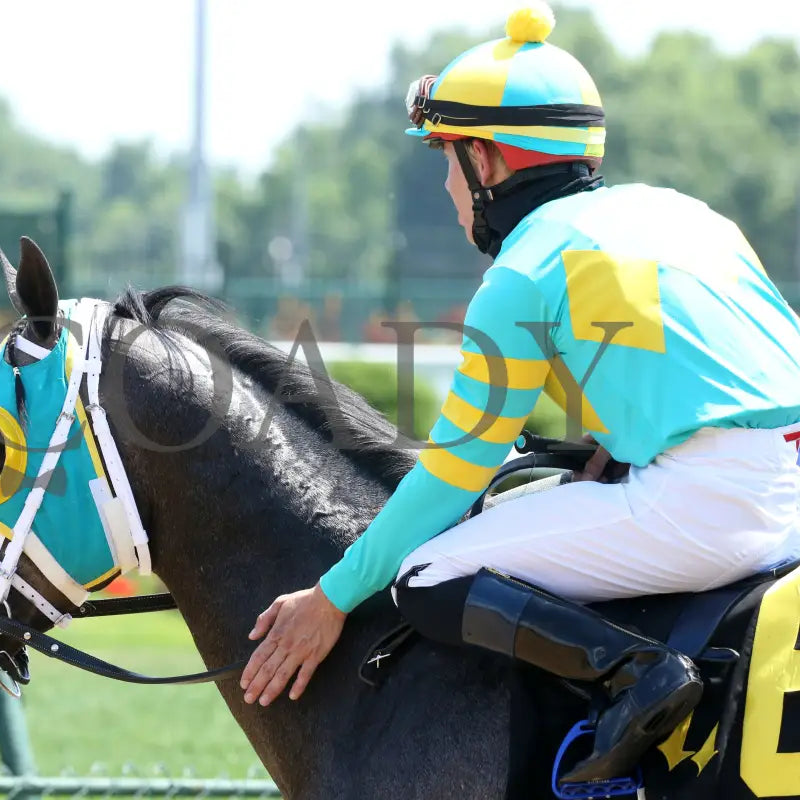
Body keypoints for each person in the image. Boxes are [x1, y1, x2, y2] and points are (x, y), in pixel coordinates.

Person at [240, 0, 800, 783]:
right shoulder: (685, 214)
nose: (447, 185)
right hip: (787, 492)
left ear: (490, 161)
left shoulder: (524, 271)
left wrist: (332, 597)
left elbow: (456, 473)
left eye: (448, 158)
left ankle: (636, 673)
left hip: (711, 510)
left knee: (426, 575)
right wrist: (613, 448)